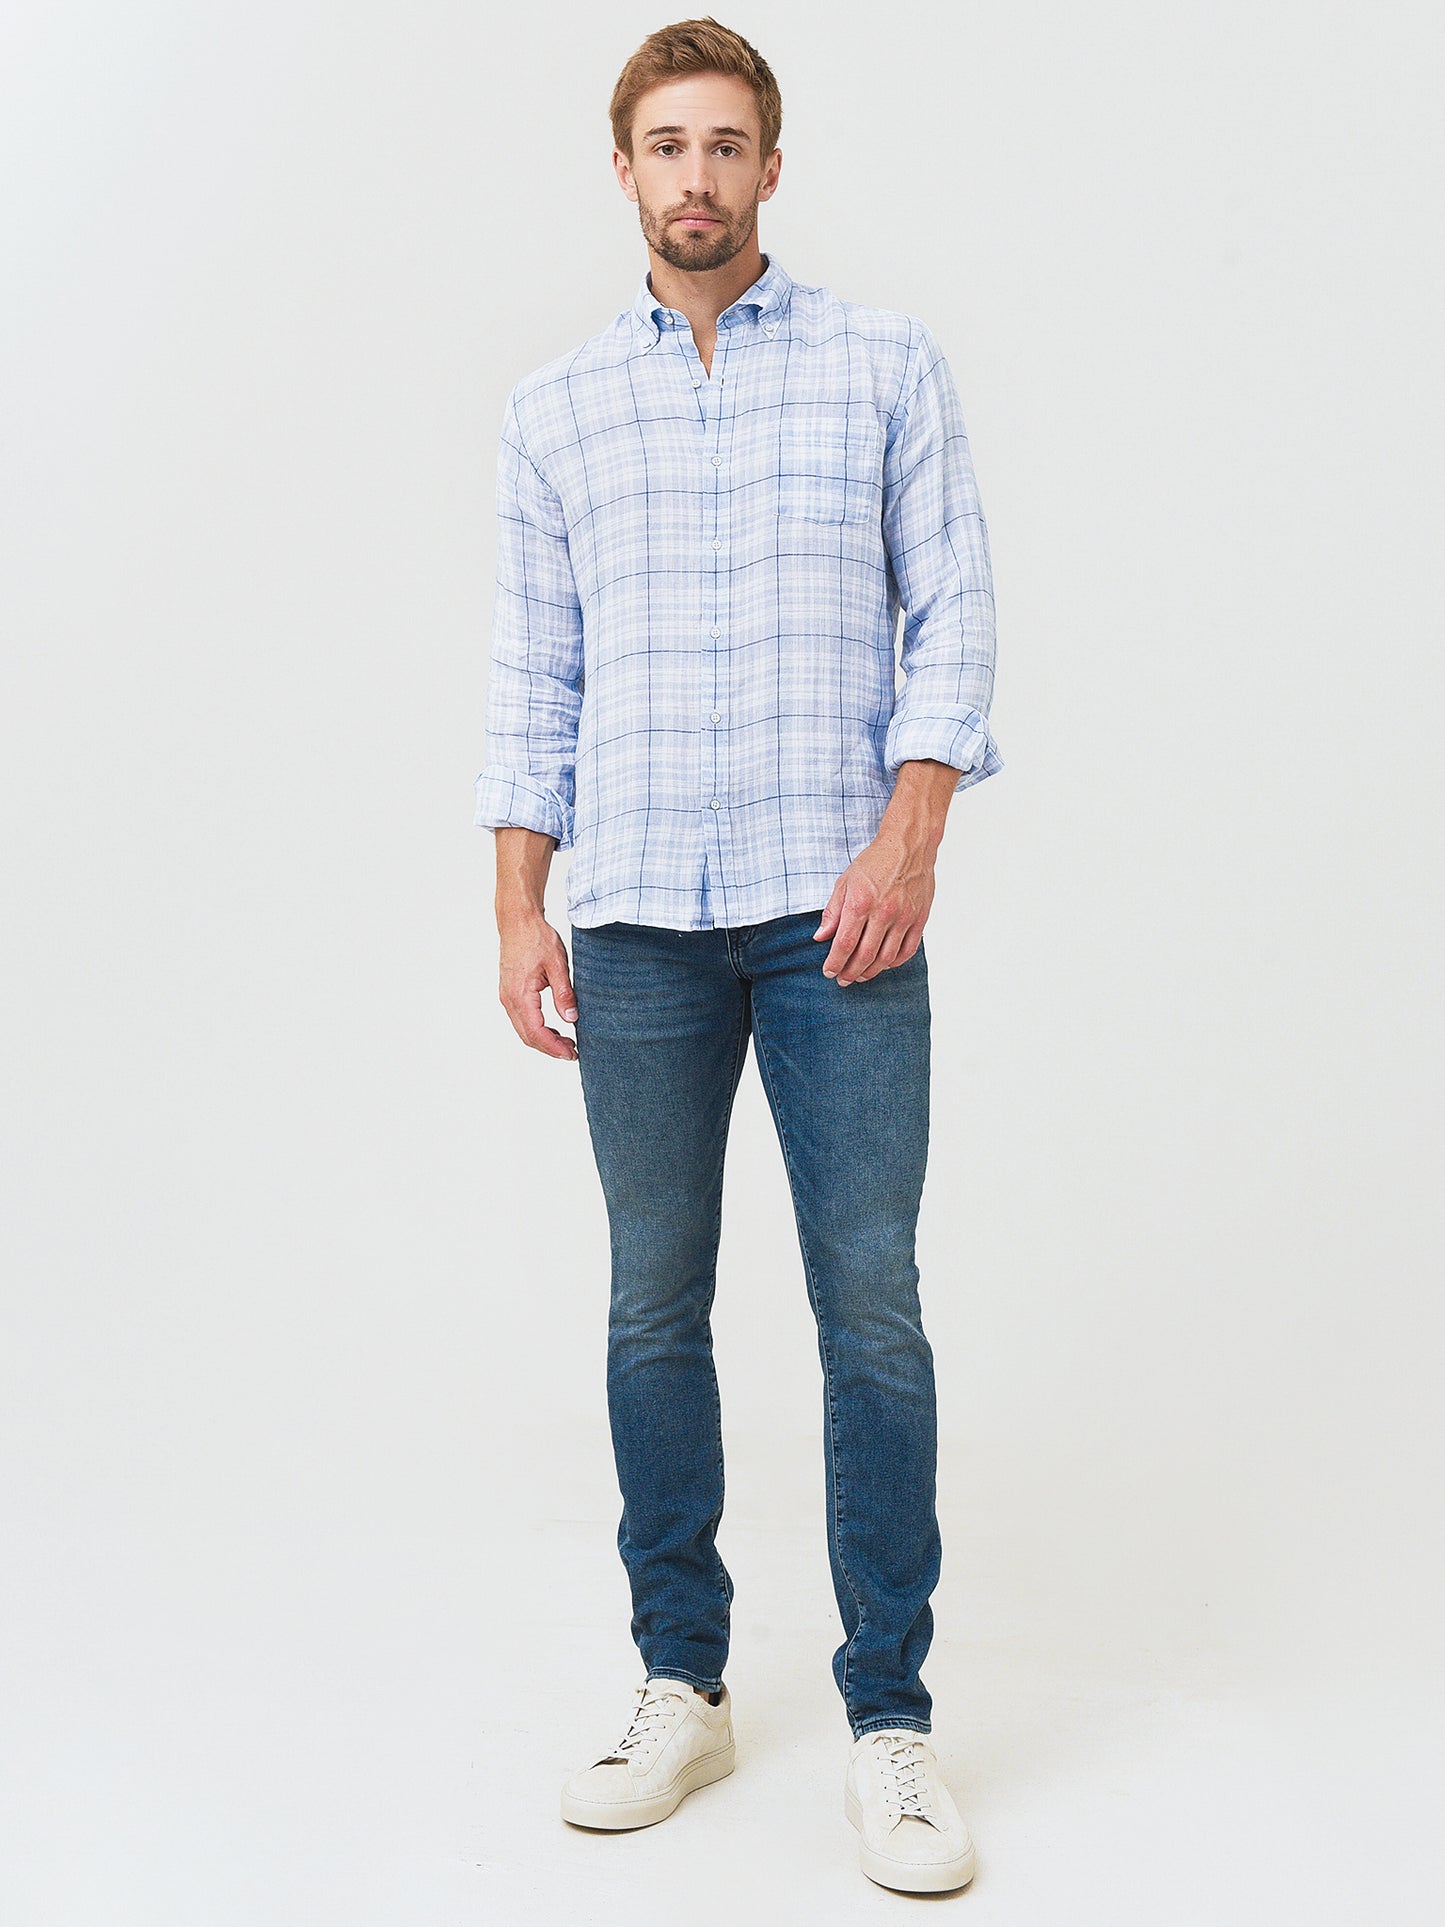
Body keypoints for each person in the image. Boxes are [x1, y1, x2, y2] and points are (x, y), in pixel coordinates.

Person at [474, 16, 1002, 1896]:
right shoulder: (554, 411)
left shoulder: (881, 363)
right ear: (621, 171)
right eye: (665, 145)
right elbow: (532, 674)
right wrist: (520, 905)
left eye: (725, 145)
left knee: (870, 1308)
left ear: (770, 168)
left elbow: (953, 616)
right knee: (650, 1305)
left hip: (831, 917)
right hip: (631, 920)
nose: (694, 176)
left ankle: (889, 1722)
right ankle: (679, 1683)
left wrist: (907, 843)